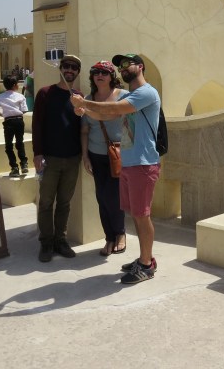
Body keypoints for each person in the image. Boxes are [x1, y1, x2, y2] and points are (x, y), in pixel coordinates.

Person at [71, 53, 161, 285]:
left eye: (126, 64)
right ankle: (144, 258)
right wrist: (85, 111)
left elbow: (113, 109)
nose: (122, 68)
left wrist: (83, 103)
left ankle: (146, 265)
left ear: (140, 67)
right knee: (137, 216)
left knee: (142, 216)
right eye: (120, 65)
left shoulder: (146, 93)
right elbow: (107, 113)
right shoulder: (132, 94)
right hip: (130, 162)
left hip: (143, 162)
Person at [32, 55, 83, 262]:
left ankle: (60, 240)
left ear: (77, 72)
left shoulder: (78, 96)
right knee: (45, 202)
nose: (70, 70)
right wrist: (37, 153)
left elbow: (82, 128)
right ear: (60, 68)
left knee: (64, 202)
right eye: (67, 66)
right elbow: (37, 125)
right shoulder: (45, 93)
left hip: (72, 158)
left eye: (74, 67)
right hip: (50, 159)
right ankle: (46, 242)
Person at [80, 61, 127, 257]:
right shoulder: (88, 98)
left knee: (113, 197)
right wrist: (85, 156)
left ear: (111, 76)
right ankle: (109, 237)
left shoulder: (123, 96)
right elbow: (84, 130)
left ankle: (121, 233)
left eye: (104, 72)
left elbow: (116, 114)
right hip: (96, 154)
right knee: (101, 197)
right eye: (96, 72)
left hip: (117, 154)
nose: (100, 75)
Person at [0, 76, 29, 178]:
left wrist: (3, 114)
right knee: (19, 142)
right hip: (19, 121)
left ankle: (14, 168)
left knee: (8, 146)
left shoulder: (0, 97)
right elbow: (25, 110)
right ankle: (24, 163)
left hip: (8, 122)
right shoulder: (20, 96)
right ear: (14, 85)